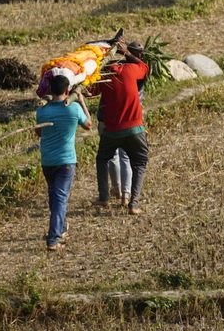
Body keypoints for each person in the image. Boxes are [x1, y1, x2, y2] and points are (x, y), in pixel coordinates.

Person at [90, 38, 150, 214]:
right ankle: (133, 203)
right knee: (139, 162)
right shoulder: (132, 69)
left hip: (112, 130)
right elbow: (145, 68)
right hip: (135, 129)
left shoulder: (104, 75)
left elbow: (90, 91)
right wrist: (128, 54)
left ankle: (104, 198)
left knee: (103, 159)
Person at [36, 75, 91, 252]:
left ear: (50, 90)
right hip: (66, 161)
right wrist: (82, 101)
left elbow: (39, 133)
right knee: (60, 199)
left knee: (54, 196)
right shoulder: (73, 109)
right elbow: (88, 125)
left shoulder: (42, 111)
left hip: (47, 161)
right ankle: (53, 238)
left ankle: (59, 228)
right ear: (67, 90)